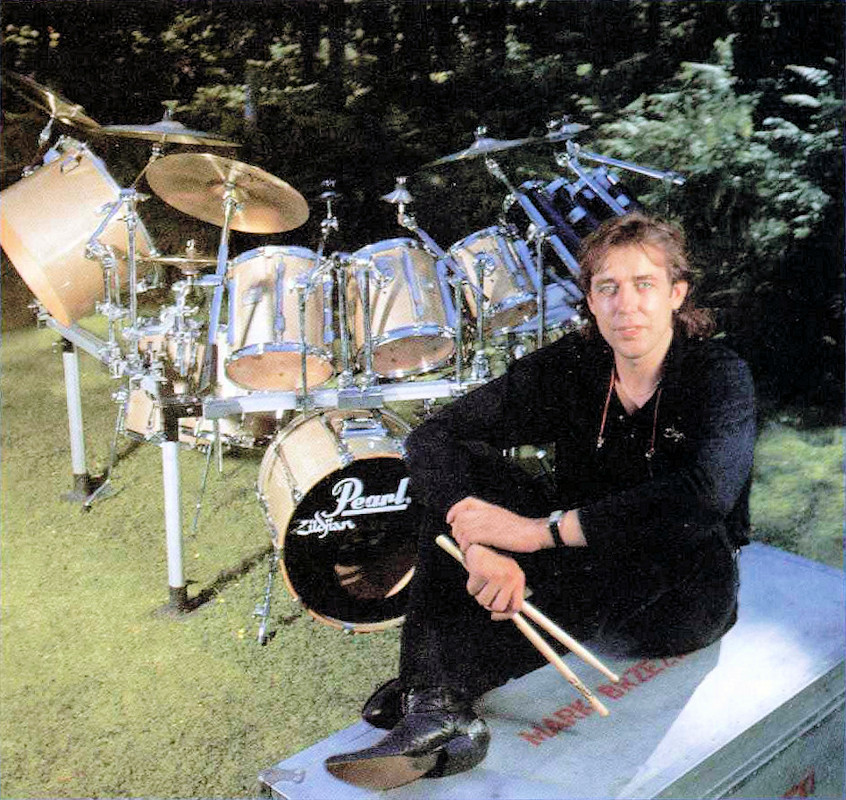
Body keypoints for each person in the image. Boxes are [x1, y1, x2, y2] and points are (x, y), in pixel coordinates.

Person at [325, 212, 756, 790]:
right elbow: (433, 437)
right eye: (608, 287)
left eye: (645, 284)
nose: (627, 305)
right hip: (583, 563)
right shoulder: (575, 365)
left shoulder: (718, 374)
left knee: (487, 605)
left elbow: (703, 497)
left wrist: (534, 535)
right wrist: (479, 546)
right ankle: (437, 701)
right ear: (591, 301)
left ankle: (435, 684)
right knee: (463, 486)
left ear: (677, 294)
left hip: (683, 591)